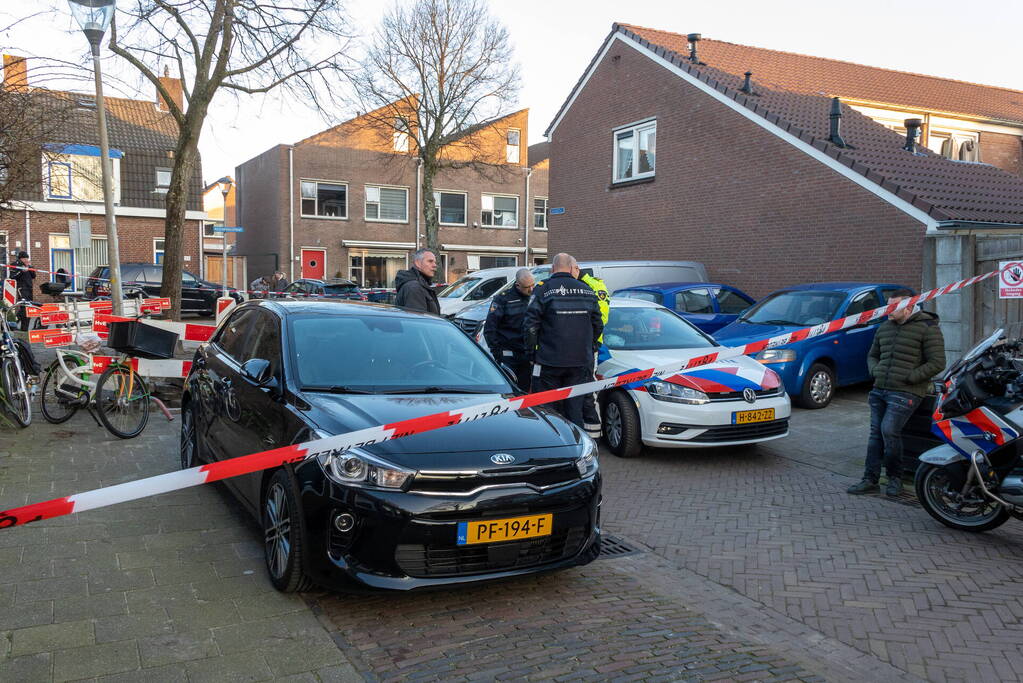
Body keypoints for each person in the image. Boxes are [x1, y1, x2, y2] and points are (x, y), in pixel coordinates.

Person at [847, 293, 945, 498]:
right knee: (876, 435)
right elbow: (872, 355)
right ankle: (870, 479)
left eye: (893, 307)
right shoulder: (884, 328)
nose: (888, 311)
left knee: (889, 430)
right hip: (880, 388)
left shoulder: (928, 328)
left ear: (908, 308)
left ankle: (895, 479)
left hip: (906, 391)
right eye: (888, 307)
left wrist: (911, 377)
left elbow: (937, 362)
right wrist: (875, 371)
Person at [524, 253, 603, 428]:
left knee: (547, 409)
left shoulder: (543, 289)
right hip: (580, 361)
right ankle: (576, 447)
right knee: (575, 408)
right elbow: (598, 324)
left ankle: (551, 447)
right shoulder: (586, 290)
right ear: (571, 268)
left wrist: (532, 353)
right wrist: (589, 347)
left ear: (553, 269)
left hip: (549, 361)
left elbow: (530, 326)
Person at [485, 268, 536, 390]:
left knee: (525, 390)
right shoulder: (503, 299)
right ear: (518, 285)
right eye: (527, 287)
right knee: (509, 390)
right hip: (509, 355)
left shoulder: (534, 296)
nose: (531, 289)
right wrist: (497, 352)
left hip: (527, 354)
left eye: (533, 285)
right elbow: (490, 328)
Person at [579, 269, 610, 438]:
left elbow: (601, 320)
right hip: (587, 344)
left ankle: (594, 435)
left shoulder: (594, 286)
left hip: (592, 344)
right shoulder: (588, 286)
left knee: (589, 391)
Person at [394, 248, 440, 314]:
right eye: (430, 261)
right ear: (418, 263)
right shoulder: (414, 287)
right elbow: (417, 320)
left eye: (435, 262)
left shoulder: (421, 284)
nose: (435, 265)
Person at [8, 251, 35, 331]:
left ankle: (24, 328)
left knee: (29, 309)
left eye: (27, 258)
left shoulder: (28, 265)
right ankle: (13, 324)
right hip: (22, 288)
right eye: (25, 258)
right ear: (21, 258)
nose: (26, 260)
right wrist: (21, 271)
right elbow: (12, 276)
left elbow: (33, 276)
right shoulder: (15, 265)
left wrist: (30, 268)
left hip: (29, 288)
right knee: (24, 308)